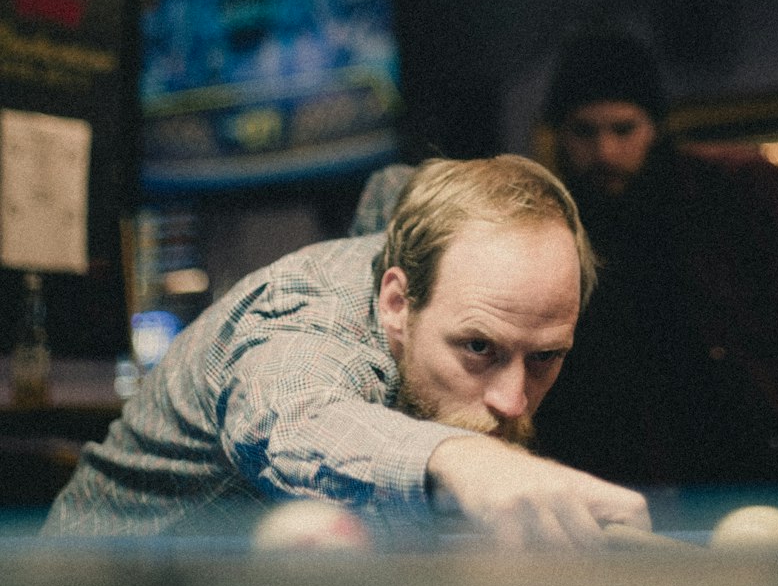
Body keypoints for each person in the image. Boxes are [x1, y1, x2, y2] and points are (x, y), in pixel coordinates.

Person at [41, 154, 649, 546]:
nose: (513, 400)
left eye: (544, 357)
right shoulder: (306, 314)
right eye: (479, 347)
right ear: (395, 304)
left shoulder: (419, 232)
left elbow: (390, 189)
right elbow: (293, 410)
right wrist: (467, 461)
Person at [532, 27, 778, 510]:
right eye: (584, 131)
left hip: (775, 476)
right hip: (638, 491)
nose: (605, 153)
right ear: (561, 134)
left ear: (655, 127)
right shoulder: (554, 226)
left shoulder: (745, 191)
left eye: (623, 129)